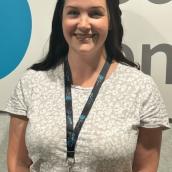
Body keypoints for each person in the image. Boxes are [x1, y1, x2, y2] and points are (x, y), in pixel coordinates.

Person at [3, 0, 170, 172]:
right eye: (73, 13)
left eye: (95, 13)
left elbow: (145, 168)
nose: (83, 24)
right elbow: (18, 163)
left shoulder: (141, 88)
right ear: (61, 19)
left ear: (111, 20)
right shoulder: (32, 82)